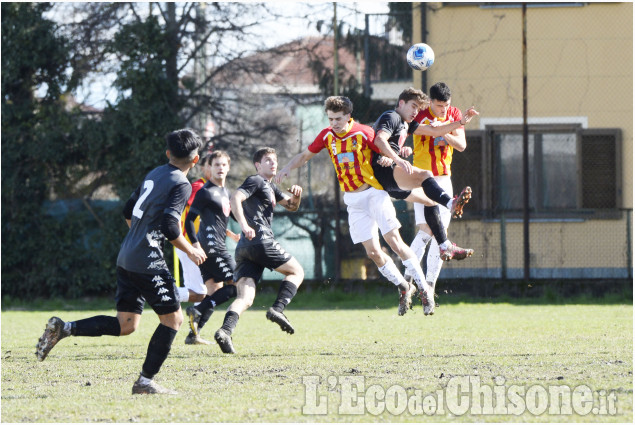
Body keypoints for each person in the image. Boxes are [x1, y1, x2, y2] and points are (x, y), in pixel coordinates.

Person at [35, 129, 207, 395]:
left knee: (126, 324)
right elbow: (170, 226)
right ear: (195, 161)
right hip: (146, 261)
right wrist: (190, 251)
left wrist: (140, 237)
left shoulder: (154, 173)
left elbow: (128, 211)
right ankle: (145, 382)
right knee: (173, 320)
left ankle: (64, 328)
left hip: (127, 256)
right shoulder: (182, 183)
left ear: (168, 154)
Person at [275, 96, 435, 317]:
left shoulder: (363, 132)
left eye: (338, 119)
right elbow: (305, 155)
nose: (334, 123)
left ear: (348, 116)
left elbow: (384, 146)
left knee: (395, 242)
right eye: (330, 119)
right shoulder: (327, 135)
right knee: (373, 253)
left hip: (374, 193)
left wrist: (398, 156)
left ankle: (425, 290)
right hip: (352, 200)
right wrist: (287, 168)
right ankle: (404, 286)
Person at [370, 87, 478, 267]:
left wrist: (460, 122)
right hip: (383, 177)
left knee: (429, 203)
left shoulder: (406, 123)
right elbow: (379, 140)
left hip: (391, 179)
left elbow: (435, 132)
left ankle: (418, 277)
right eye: (413, 107)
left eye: (417, 108)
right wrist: (395, 158)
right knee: (425, 176)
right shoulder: (392, 116)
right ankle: (451, 204)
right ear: (401, 103)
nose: (414, 112)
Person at [213, 147, 304, 354]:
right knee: (296, 272)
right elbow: (235, 198)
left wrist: (297, 197)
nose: (273, 164)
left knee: (245, 298)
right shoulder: (255, 180)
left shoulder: (271, 187)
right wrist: (244, 225)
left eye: (275, 160)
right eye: (267, 161)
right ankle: (277, 309)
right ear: (257, 165)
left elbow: (291, 206)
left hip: (245, 248)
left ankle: (225, 331)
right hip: (260, 240)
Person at [409, 82, 471, 297]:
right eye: (438, 106)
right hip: (422, 178)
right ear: (430, 102)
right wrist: (442, 129)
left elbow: (461, 145)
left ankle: (429, 287)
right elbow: (422, 129)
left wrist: (445, 134)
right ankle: (407, 281)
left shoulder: (454, 114)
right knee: (427, 231)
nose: (443, 110)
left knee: (440, 236)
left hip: (444, 178)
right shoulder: (420, 115)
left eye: (446, 105)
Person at [183, 150, 240, 345]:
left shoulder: (225, 192)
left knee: (214, 290)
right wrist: (196, 245)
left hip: (215, 244)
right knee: (237, 285)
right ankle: (198, 310)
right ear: (209, 168)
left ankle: (194, 334)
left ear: (228, 167)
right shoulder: (205, 192)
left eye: (223, 165)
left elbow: (228, 216)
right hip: (212, 246)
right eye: (216, 165)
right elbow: (189, 221)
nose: (220, 168)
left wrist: (237, 232)